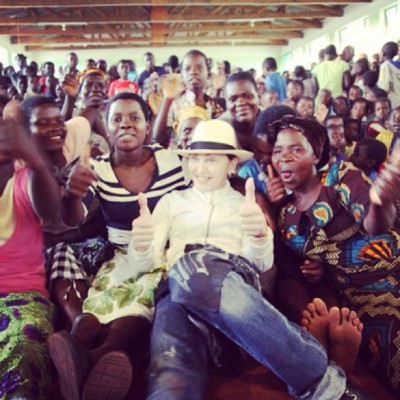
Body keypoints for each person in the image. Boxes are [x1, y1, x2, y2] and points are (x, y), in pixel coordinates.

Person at [130, 119, 363, 400]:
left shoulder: (245, 205)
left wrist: (258, 238)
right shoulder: (172, 201)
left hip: (234, 291)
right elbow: (146, 264)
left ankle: (317, 378)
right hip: (180, 291)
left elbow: (262, 265)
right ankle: (325, 385)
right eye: (195, 159)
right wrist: (142, 245)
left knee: (195, 267)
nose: (200, 169)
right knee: (170, 369)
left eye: (211, 160)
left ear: (231, 164)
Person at [48, 92, 186, 400]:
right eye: (117, 119)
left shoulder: (171, 160)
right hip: (119, 254)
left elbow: (200, 194)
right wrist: (72, 194)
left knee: (145, 296)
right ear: (106, 130)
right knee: (101, 283)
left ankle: (91, 358)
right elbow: (74, 218)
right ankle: (86, 335)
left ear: (147, 126)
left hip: (163, 252)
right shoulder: (98, 167)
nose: (126, 125)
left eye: (134, 118)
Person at [268, 115, 400, 396]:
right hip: (366, 300)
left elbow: (374, 223)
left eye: (296, 149)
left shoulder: (340, 177)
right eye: (278, 151)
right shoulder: (285, 217)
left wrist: (381, 201)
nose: (284, 158)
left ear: (316, 154)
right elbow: (304, 262)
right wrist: (317, 268)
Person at [0, 111, 60, 399]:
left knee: (24, 346)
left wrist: (35, 160)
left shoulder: (28, 178)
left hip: (23, 296)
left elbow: (50, 210)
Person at [152, 49, 224, 147]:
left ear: (208, 73)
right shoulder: (174, 103)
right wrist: (167, 99)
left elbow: (219, 135)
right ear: (182, 75)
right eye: (188, 69)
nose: (193, 72)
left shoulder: (212, 105)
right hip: (177, 158)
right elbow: (157, 138)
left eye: (199, 68)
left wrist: (218, 91)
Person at [218, 71, 259, 152]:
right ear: (226, 103)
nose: (241, 103)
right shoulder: (219, 128)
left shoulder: (271, 122)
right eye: (233, 99)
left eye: (247, 96)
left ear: (258, 95)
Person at [378, 41, 400, 108]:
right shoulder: (397, 65)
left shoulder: (385, 66)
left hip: (393, 104)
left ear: (382, 53)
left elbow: (384, 87)